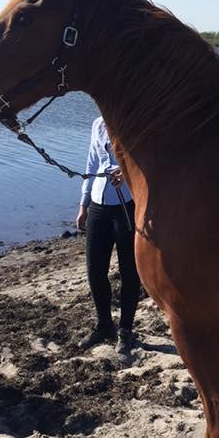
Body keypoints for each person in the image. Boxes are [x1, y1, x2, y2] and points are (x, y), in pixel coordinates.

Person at [76, 116, 141, 358]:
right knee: (95, 270)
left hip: (128, 205)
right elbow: (92, 163)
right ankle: (104, 324)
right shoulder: (97, 124)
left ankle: (125, 329)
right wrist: (83, 204)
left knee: (129, 272)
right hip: (98, 205)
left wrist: (126, 173)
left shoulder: (136, 120)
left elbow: (150, 161)